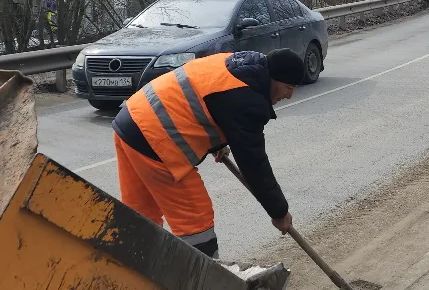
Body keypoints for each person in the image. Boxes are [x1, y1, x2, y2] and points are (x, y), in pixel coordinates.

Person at [111, 49, 304, 258]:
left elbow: (207, 100)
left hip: (130, 123)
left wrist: (218, 141)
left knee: (140, 219)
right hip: (155, 141)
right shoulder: (248, 99)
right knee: (195, 220)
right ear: (272, 78)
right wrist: (279, 212)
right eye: (288, 87)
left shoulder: (237, 63)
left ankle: (134, 276)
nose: (289, 95)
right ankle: (202, 284)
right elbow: (254, 164)